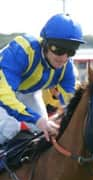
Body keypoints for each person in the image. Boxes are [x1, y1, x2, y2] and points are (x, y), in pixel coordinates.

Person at [0, 13, 84, 147]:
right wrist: (36, 119)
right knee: (10, 127)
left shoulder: (67, 69)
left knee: (45, 130)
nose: (63, 58)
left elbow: (71, 104)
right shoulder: (22, 51)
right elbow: (4, 95)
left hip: (28, 93)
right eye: (58, 49)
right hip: (3, 92)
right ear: (45, 43)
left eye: (71, 51)